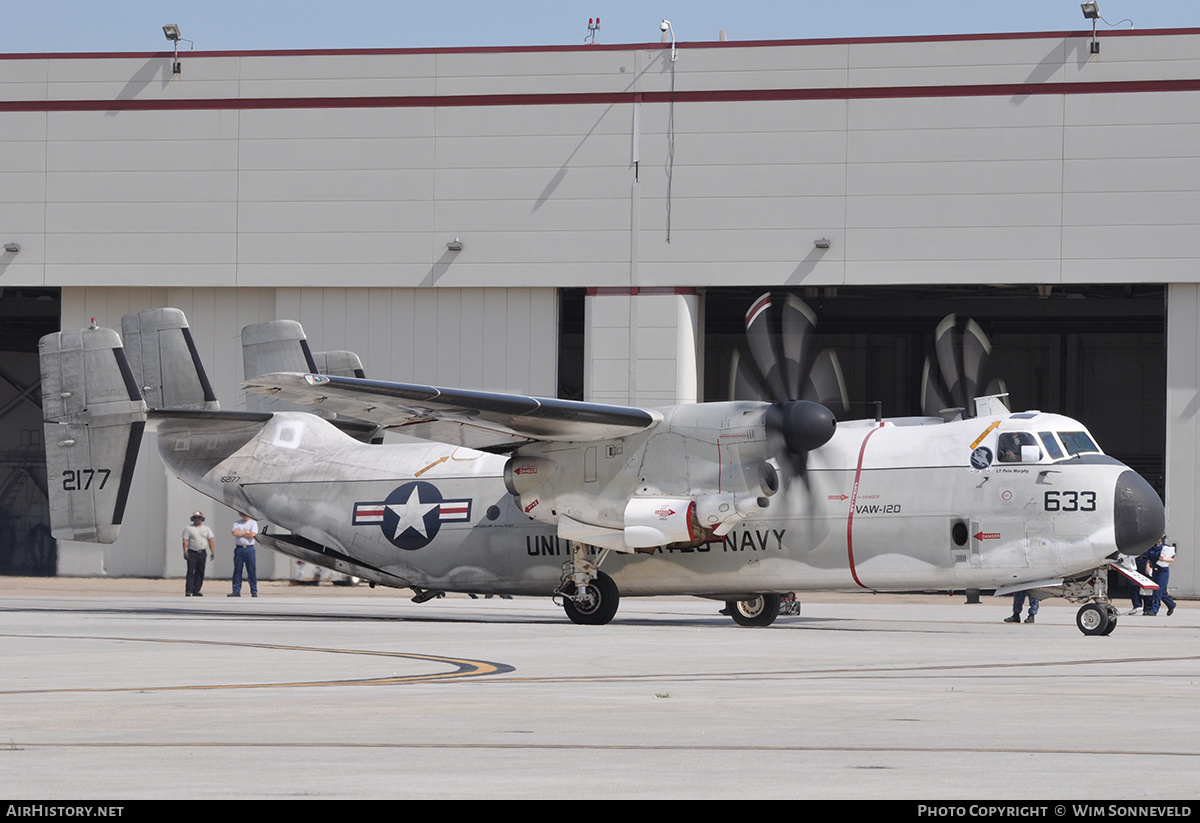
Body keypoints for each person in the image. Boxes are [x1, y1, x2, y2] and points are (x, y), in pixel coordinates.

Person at [182, 511, 215, 597]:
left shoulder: (206, 529)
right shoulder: (188, 528)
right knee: (190, 571)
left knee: (200, 572)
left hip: (202, 552)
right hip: (192, 552)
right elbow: (185, 540)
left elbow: (210, 540)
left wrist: (212, 551)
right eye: (195, 518)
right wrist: (185, 551)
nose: (197, 520)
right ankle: (189, 590)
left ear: (202, 519)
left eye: (199, 518)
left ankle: (196, 590)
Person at [1144, 536, 1177, 617]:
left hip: (1163, 571)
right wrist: (1148, 566)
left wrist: (1164, 560)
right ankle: (1171, 604)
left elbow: (1172, 559)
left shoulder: (1166, 548)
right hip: (1155, 571)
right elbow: (1149, 559)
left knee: (1158, 591)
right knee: (1158, 591)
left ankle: (1154, 610)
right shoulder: (1151, 548)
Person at [229, 512, 259, 598]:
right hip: (239, 548)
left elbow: (253, 534)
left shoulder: (253, 523)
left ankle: (254, 591)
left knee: (251, 570)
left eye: (247, 514)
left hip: (249, 548)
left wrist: (241, 533)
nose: (245, 516)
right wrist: (246, 532)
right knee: (237, 570)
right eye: (243, 514)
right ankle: (236, 590)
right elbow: (234, 533)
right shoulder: (237, 523)